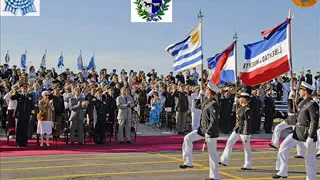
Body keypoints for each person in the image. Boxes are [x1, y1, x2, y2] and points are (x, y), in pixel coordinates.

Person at [273, 82, 319, 179]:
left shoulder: (312, 104)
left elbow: (314, 122)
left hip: (307, 134)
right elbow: (292, 112)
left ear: (305, 91)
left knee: (309, 158)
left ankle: (311, 178)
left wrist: (311, 136)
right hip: (297, 132)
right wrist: (290, 98)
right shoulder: (302, 102)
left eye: (301, 90)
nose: (299, 92)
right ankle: (283, 171)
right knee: (283, 148)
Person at [179, 81, 220, 180]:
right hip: (202, 129)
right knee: (187, 138)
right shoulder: (207, 101)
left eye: (206, 90)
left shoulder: (213, 104)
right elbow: (198, 106)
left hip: (210, 132)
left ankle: (215, 176)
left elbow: (214, 121)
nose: (205, 91)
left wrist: (208, 133)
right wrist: (200, 95)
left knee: (212, 154)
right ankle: (189, 161)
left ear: (210, 91)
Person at [219, 92, 252, 170]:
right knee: (229, 142)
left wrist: (246, 132)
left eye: (240, 98)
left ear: (244, 99)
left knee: (246, 148)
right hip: (237, 129)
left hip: (244, 131)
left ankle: (248, 164)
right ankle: (224, 160)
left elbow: (247, 122)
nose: (239, 99)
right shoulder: (240, 108)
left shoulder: (247, 109)